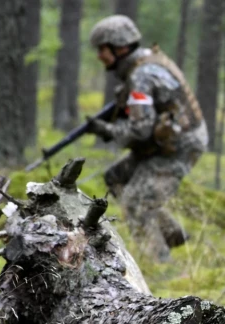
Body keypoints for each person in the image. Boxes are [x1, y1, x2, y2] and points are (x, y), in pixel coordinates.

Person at [85, 15, 207, 261]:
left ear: (119, 47)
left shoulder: (141, 75)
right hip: (168, 142)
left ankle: (159, 265)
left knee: (135, 203)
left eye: (102, 49)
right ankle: (172, 234)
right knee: (116, 178)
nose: (99, 56)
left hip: (180, 147)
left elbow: (140, 131)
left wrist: (107, 131)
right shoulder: (145, 63)